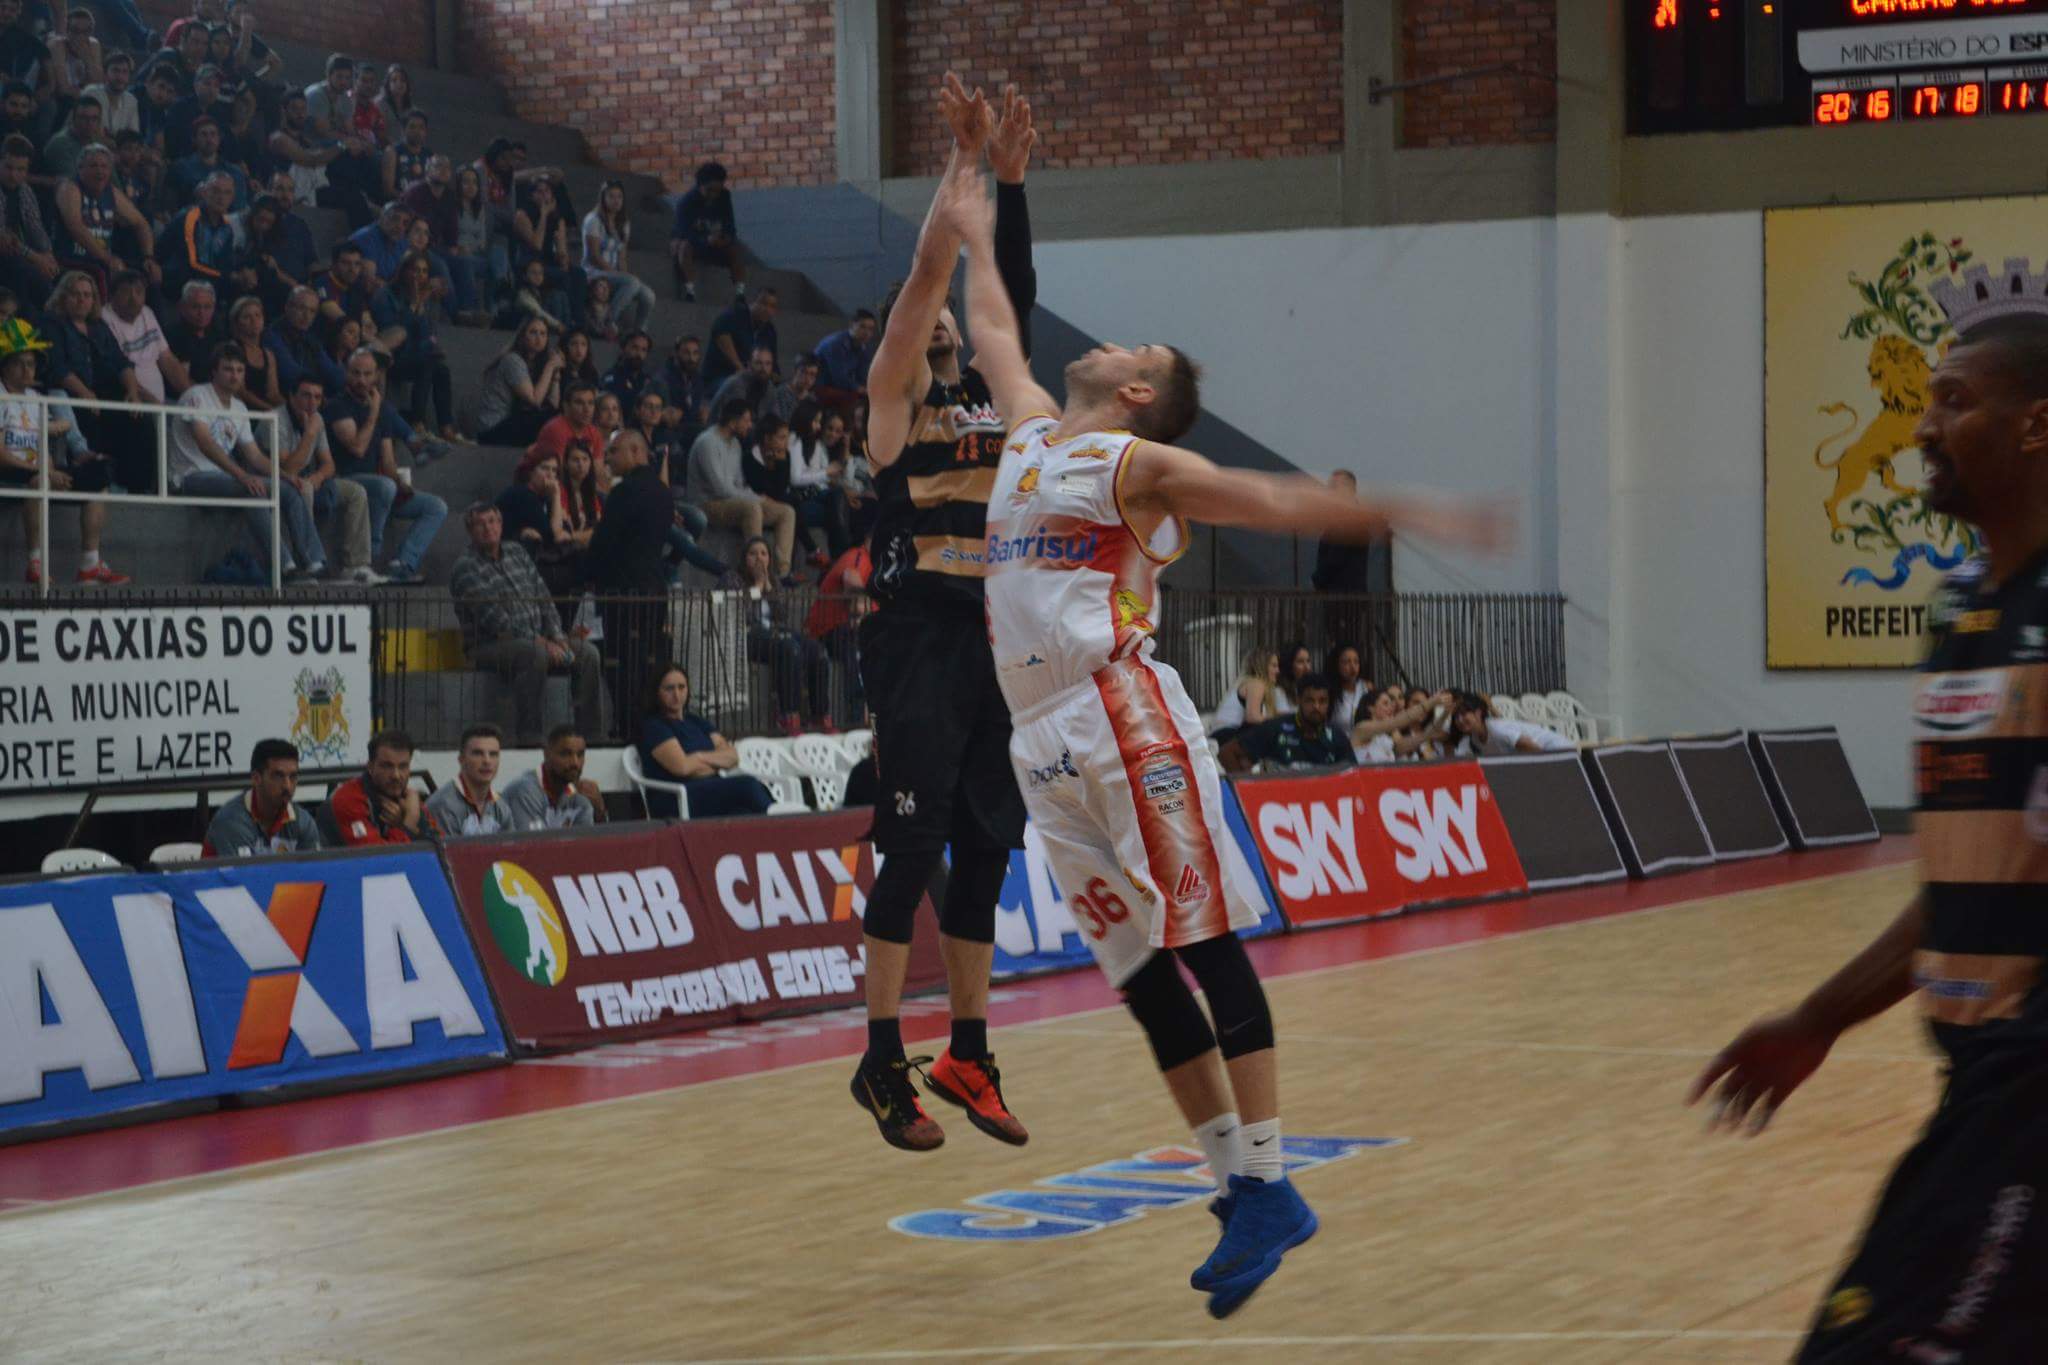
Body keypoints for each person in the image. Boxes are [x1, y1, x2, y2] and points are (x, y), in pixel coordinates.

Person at [935, 94, 1508, 1316]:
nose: (1110, 344)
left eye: (1134, 351)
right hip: (1040, 742)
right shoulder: (1031, 435)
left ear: (1139, 395)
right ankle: (1242, 1188)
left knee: (1202, 945)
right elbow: (987, 319)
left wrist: (1429, 510)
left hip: (1118, 711)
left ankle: (1269, 1179)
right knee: (1136, 969)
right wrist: (981, 194)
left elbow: (1280, 504)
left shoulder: (1138, 465)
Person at [1687, 302, 2048, 1356]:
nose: (1923, 429)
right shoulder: (1957, 617)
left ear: (2035, 426)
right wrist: (1820, 1017)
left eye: (1954, 401)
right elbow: (1964, 884)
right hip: (1983, 1084)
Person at [835, 84, 1043, 1158]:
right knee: (909, 851)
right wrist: (957, 173)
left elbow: (1006, 291)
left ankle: (967, 1048)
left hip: (991, 643)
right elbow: (932, 274)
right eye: (936, 324)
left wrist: (1008, 187)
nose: (953, 319)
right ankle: (879, 1057)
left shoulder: (990, 396)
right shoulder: (896, 396)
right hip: (916, 636)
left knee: (986, 851)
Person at [450, 499, 603, 745]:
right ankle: (530, 736)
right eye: (479, 525)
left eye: (492, 521)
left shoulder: (516, 552)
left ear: (501, 524)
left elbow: (543, 597)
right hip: (489, 645)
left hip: (539, 639)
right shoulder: (465, 567)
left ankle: (591, 735)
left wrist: (559, 638)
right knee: (534, 654)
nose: (488, 528)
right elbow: (496, 621)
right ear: (470, 532)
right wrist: (542, 642)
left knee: (588, 654)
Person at [170, 341, 327, 579]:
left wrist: (285, 476)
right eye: (228, 369)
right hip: (191, 477)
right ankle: (285, 565)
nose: (235, 376)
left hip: (224, 477)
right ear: (214, 371)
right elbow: (205, 442)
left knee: (290, 490)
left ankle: (315, 561)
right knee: (251, 488)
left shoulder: (240, 407)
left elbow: (253, 455)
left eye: (239, 370)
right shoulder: (197, 395)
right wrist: (242, 475)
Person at [0, 316, 125, 584]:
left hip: (37, 470)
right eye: (18, 363)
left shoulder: (35, 399)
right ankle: (35, 564)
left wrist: (51, 467)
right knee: (40, 481)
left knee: (98, 481)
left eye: (31, 364)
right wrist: (45, 472)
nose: (26, 370)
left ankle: (90, 564)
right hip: (11, 470)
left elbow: (41, 445)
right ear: (4, 366)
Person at [325, 345, 446, 583]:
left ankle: (402, 564)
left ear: (377, 375)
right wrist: (372, 414)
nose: (361, 380)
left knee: (435, 506)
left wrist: (400, 483)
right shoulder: (338, 406)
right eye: (356, 373)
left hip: (379, 488)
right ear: (347, 373)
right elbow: (357, 448)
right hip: (345, 481)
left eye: (367, 374)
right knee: (384, 486)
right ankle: (367, 559)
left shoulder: (382, 410)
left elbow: (388, 460)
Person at [589, 428, 674, 729]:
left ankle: (626, 723)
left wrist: (587, 573)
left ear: (636, 452)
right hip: (655, 589)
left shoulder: (624, 492)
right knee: (651, 661)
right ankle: (652, 721)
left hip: (623, 592)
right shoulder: (664, 493)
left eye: (614, 451)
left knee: (622, 663)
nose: (608, 458)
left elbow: (604, 543)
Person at [275, 371, 378, 584]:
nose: (311, 402)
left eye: (317, 397)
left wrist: (318, 476)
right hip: (280, 481)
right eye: (305, 395)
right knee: (304, 488)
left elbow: (329, 464)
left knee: (356, 491)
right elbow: (289, 467)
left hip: (311, 480)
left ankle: (355, 566)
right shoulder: (276, 420)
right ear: (291, 396)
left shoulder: (317, 419)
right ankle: (308, 564)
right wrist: (310, 434)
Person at [636, 664, 773, 818]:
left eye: (682, 687)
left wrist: (699, 757)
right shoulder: (655, 727)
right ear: (657, 692)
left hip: (709, 790)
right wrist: (715, 763)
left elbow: (733, 757)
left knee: (745, 812)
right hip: (676, 796)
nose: (677, 694)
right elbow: (682, 767)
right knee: (747, 785)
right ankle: (782, 827)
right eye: (669, 689)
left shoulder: (696, 721)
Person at [688, 396, 794, 579]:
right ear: (733, 421)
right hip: (708, 504)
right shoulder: (707, 442)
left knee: (786, 512)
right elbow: (720, 489)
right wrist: (757, 499)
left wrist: (755, 496)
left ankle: (782, 574)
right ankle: (757, 571)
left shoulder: (736, 444)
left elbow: (739, 484)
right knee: (752, 507)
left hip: (732, 500)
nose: (750, 425)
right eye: (746, 420)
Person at [737, 534, 833, 734]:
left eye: (763, 554)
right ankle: (789, 716)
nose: (759, 558)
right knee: (790, 648)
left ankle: (820, 715)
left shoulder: (773, 581)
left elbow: (782, 616)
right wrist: (756, 587)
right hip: (746, 634)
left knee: (817, 650)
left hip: (774, 631)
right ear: (744, 558)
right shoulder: (733, 578)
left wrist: (769, 588)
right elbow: (738, 614)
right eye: (753, 554)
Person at [371, 248, 456, 440]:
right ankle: (417, 422)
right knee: (428, 362)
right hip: (390, 358)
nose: (420, 276)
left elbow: (426, 335)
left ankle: (446, 426)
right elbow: (392, 330)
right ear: (404, 271)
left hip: (416, 355)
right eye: (415, 270)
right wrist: (415, 306)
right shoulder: (385, 294)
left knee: (441, 368)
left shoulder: (426, 300)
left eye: (424, 271)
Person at [202, 737, 322, 857]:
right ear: (256, 778)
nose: (287, 786)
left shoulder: (304, 823)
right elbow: (244, 875)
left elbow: (313, 872)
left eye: (293, 777)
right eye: (278, 776)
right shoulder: (231, 821)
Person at [321, 729, 437, 846]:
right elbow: (379, 860)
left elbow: (443, 849)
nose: (396, 776)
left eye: (403, 766)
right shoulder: (347, 800)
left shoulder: (409, 799)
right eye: (387, 766)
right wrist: (409, 822)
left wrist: (410, 824)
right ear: (370, 767)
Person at [1219, 673, 1354, 773]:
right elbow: (1227, 752)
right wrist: (1246, 788)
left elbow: (1354, 773)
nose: (1316, 707)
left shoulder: (1338, 736)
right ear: (1299, 700)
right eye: (1310, 700)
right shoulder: (1275, 728)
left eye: (1322, 701)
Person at [476, 315, 560, 447]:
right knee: (544, 418)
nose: (539, 338)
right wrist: (550, 367)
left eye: (543, 333)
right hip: (492, 430)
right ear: (522, 336)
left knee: (554, 415)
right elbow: (535, 401)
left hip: (509, 426)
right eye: (533, 332)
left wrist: (555, 376)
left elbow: (553, 405)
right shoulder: (513, 360)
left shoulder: (536, 365)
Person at [502, 723, 606, 830]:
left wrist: (599, 812)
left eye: (580, 755)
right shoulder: (525, 791)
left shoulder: (579, 797)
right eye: (566, 754)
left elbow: (587, 843)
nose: (575, 763)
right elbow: (531, 844)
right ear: (546, 754)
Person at [581, 178, 651, 335]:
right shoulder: (593, 220)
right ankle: (607, 322)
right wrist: (618, 275)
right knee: (631, 282)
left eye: (619, 197)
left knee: (648, 296)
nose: (616, 201)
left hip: (612, 272)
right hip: (593, 271)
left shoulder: (624, 222)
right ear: (603, 198)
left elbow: (622, 257)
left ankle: (639, 334)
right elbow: (595, 257)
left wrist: (623, 274)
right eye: (611, 196)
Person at [668, 159, 742, 302]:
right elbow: (683, 232)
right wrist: (705, 240)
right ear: (700, 186)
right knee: (682, 247)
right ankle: (690, 291)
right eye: (709, 190)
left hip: (715, 244)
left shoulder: (724, 197)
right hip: (695, 243)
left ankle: (740, 293)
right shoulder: (686, 203)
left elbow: (730, 226)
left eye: (717, 191)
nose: (713, 195)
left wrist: (725, 238)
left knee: (735, 249)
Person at [423, 723, 513, 837]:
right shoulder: (442, 806)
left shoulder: (501, 806)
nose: (487, 761)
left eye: (493, 754)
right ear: (461, 759)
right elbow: (449, 854)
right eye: (478, 753)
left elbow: (512, 852)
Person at [98, 266, 168, 401]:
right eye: (126, 292)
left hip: (158, 406)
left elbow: (167, 359)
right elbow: (119, 368)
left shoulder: (146, 312)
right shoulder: (104, 318)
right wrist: (154, 405)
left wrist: (191, 391)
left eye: (139, 292)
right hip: (130, 402)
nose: (133, 298)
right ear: (112, 296)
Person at [700, 285, 776, 393]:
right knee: (738, 386)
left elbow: (773, 365)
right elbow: (720, 332)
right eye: (763, 303)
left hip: (750, 378)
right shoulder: (735, 315)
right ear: (752, 302)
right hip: (718, 378)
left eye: (772, 306)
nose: (767, 309)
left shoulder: (769, 330)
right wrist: (741, 369)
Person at [1447, 691, 1574, 755]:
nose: (1460, 720)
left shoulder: (1496, 729)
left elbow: (1530, 747)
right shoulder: (1475, 740)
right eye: (1456, 716)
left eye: (1464, 714)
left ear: (1478, 713)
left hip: (1556, 749)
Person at [1209, 648, 1279, 743]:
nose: (1277, 671)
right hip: (1226, 734)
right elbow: (1252, 717)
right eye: (1274, 666)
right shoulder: (1256, 683)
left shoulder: (1249, 682)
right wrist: (1279, 721)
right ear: (1262, 666)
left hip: (1223, 734)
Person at [814, 308, 876, 411]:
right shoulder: (835, 344)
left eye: (870, 329)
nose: (867, 332)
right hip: (822, 387)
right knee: (853, 398)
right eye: (862, 327)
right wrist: (859, 389)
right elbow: (839, 378)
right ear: (852, 325)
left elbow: (863, 375)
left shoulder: (863, 348)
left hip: (840, 388)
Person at [1324, 643, 1369, 732]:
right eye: (1346, 662)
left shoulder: (1365, 688)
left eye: (1356, 662)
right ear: (1336, 665)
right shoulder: (1329, 692)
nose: (1353, 667)